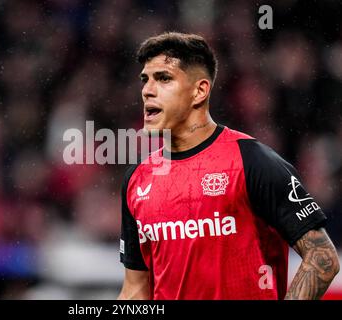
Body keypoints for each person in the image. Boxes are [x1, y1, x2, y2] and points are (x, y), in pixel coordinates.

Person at [118, 32, 339, 300]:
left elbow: (322, 258)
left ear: (200, 90)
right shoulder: (137, 179)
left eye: (163, 78)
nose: (147, 90)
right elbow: (135, 290)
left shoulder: (253, 161)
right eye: (145, 79)